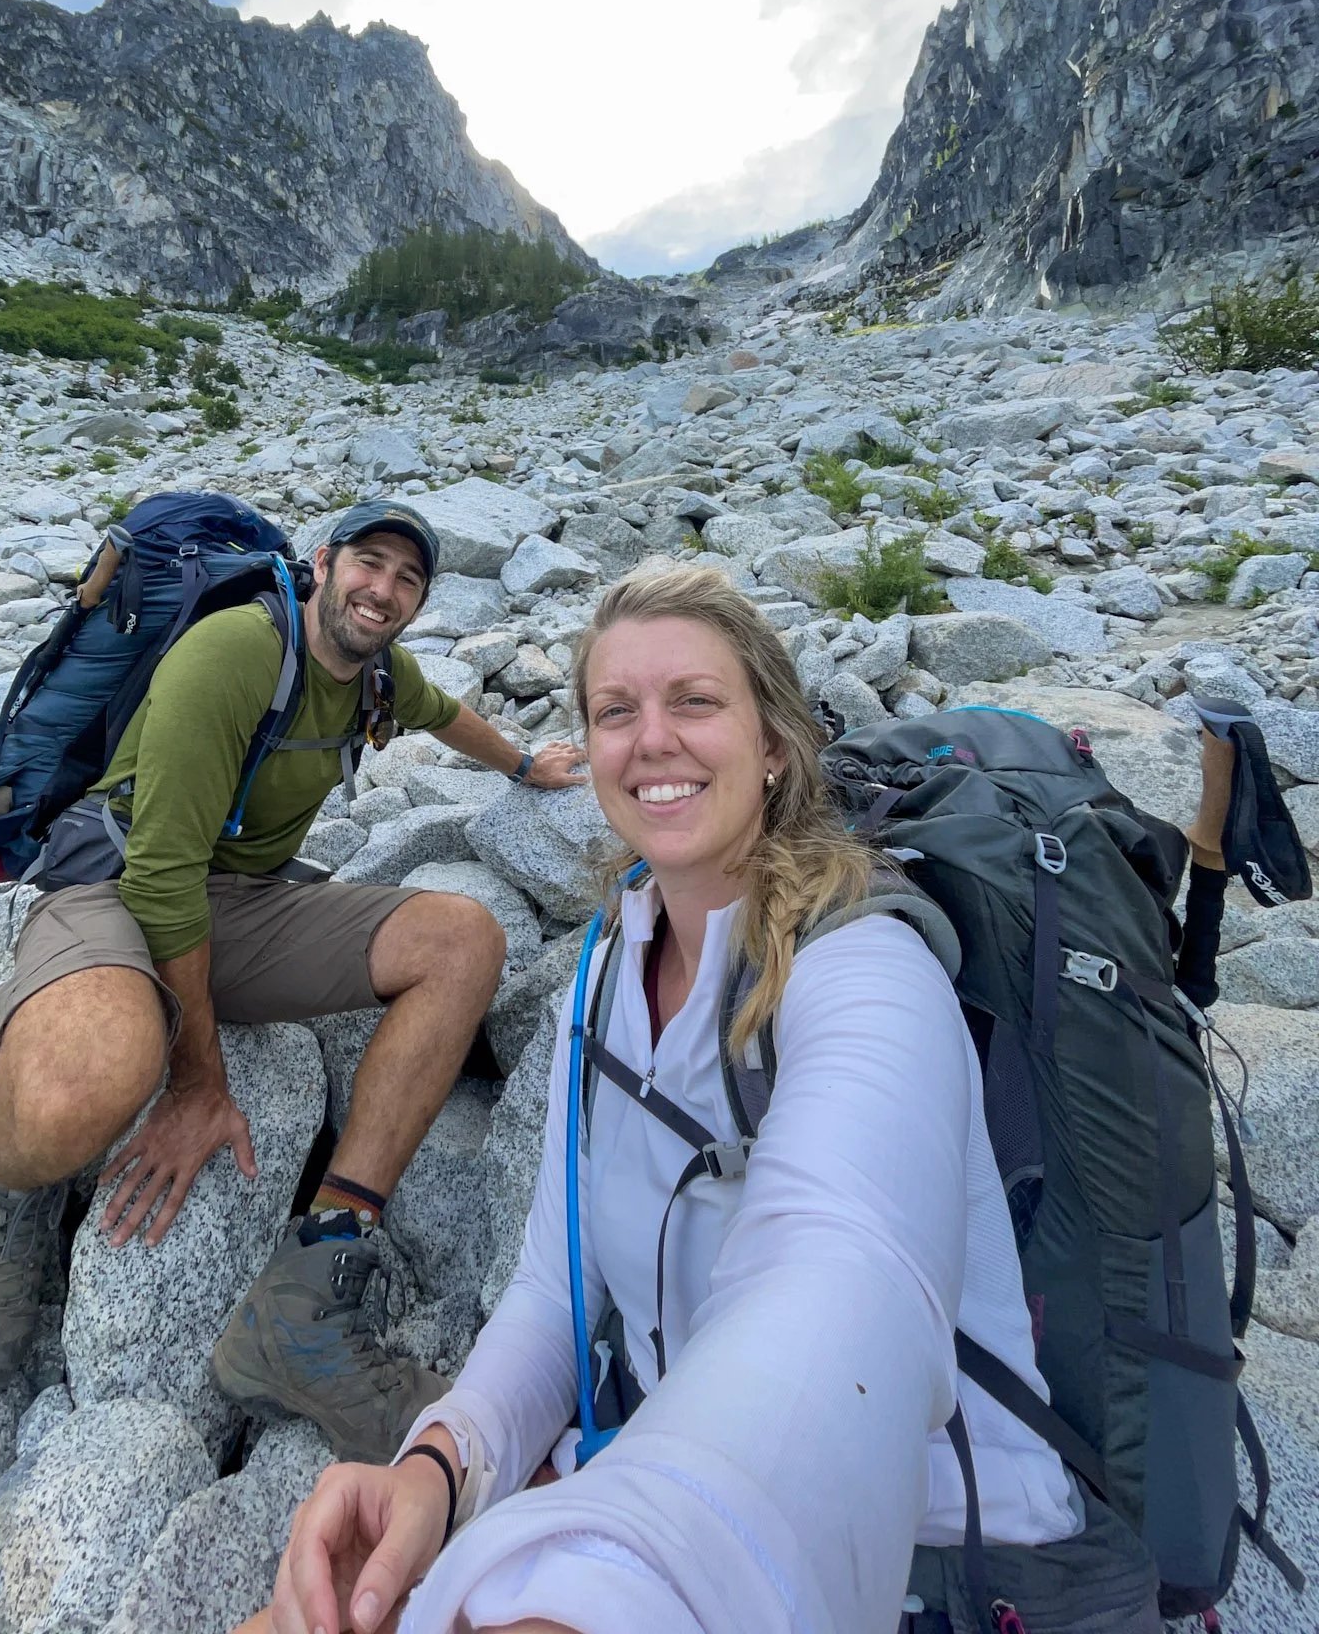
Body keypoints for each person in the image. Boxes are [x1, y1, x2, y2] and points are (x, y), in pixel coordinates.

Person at [245, 561, 1169, 1634]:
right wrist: (441, 1468)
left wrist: (606, 1580)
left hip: (943, 1548)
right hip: (671, 1483)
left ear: (775, 742)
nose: (652, 740)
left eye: (695, 701)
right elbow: (555, 1288)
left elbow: (840, 1282)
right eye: (615, 711)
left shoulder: (869, 970)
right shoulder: (606, 969)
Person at [0, 500, 584, 1465]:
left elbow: (447, 717)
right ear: (320, 566)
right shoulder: (236, 653)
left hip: (240, 902)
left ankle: (308, 1294)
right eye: (369, 563)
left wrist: (528, 763)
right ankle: (14, 1195)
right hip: (114, 883)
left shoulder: (379, 676)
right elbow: (157, 878)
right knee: (77, 1095)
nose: (384, 589)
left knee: (463, 941)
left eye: (407, 578)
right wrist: (199, 1082)